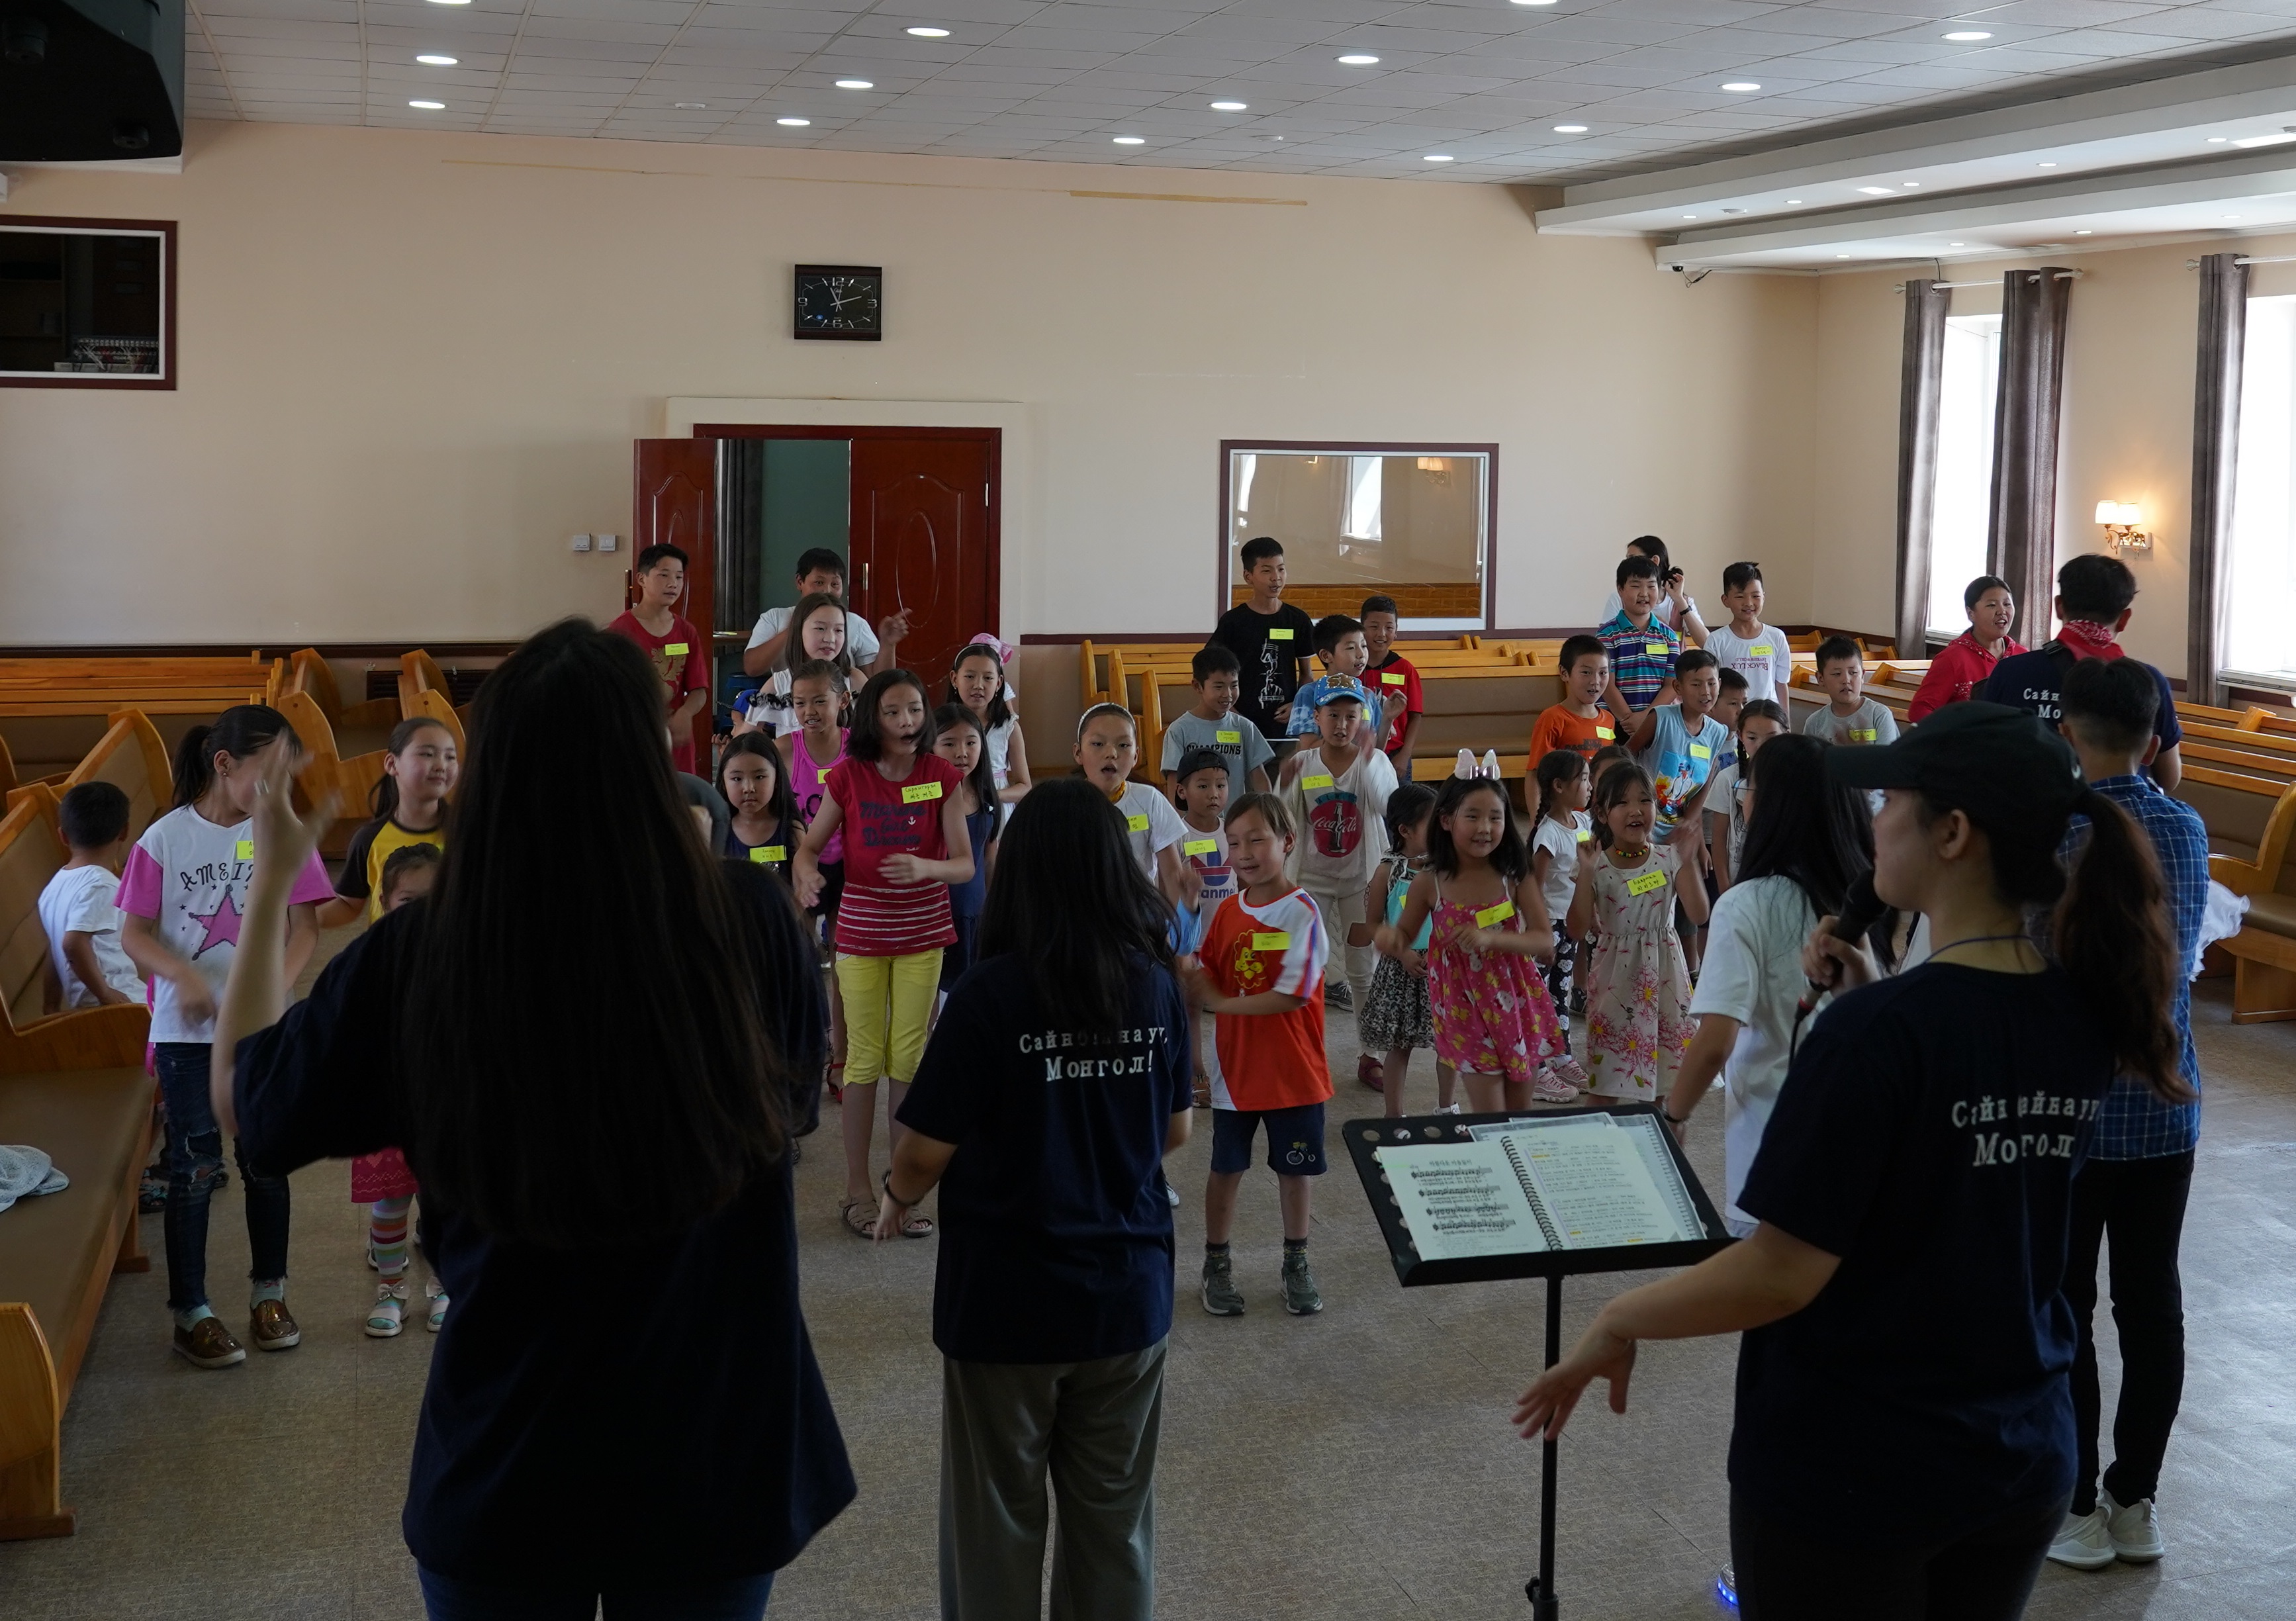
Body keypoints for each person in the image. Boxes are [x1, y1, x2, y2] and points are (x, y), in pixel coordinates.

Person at [214, 618, 854, 1617]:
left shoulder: (427, 950)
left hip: (511, 1449)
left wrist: (272, 887)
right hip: (713, 1443)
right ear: (650, 759)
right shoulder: (747, 919)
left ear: (493, 770)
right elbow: (792, 1107)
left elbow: (249, 1105)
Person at [1513, 700, 2186, 1621]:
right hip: (2020, 1446)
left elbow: (1781, 1272)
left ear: (1952, 833)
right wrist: (1872, 991)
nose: (1874, 823)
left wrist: (1620, 1316)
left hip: (1856, 1466)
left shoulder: (1876, 1034)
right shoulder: (2079, 1012)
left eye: (1891, 802)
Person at [874, 779, 1192, 1621]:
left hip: (1006, 1299)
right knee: (1114, 1523)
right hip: (1127, 1291)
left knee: (996, 1521)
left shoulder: (988, 994)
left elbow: (922, 1152)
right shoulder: (1153, 982)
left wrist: (895, 1196)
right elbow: (1176, 1131)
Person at [2044, 658, 2209, 1573]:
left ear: (2067, 734)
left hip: (2067, 1112)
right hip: (2164, 1107)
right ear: (2153, 743)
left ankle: (2074, 1508)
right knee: (2153, 1307)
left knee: (2062, 1303)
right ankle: (2135, 1501)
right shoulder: (2184, 827)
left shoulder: (2054, 832)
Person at [117, 706, 334, 1370]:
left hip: (263, 1032)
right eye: (269, 775)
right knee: (194, 1167)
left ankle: (270, 1295)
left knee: (265, 1159)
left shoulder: (281, 830)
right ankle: (192, 1312)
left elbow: (306, 928)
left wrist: (274, 991)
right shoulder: (163, 840)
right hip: (186, 1035)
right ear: (224, 763)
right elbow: (133, 935)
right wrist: (182, 975)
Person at [1665, 735, 1880, 1233]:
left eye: (1749, 787)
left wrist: (1674, 1117)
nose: (1743, 798)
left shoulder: (1745, 904)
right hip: (1855, 1142)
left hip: (1772, 1149)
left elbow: (1715, 1042)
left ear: (1770, 804)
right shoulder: (1855, 895)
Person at [792, 669, 974, 1240]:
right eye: (893, 711)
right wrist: (805, 873)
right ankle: (857, 1191)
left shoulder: (940, 775)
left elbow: (964, 864)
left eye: (915, 709)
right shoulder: (849, 774)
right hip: (861, 931)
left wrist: (925, 866)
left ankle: (903, 1191)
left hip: (924, 930)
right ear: (871, 716)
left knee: (909, 1059)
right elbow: (809, 848)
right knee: (863, 1059)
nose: (906, 721)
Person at [1181, 792, 1331, 1318]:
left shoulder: (1302, 912)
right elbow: (1203, 971)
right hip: (1235, 1075)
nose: (1243, 852)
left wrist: (1221, 1001)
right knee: (1225, 1168)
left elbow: (1292, 994)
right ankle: (1216, 1263)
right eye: (1234, 842)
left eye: (1257, 840)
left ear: (1287, 842)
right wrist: (1185, 915)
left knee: (1295, 1173)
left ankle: (1296, 1262)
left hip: (1295, 1073)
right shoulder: (1226, 911)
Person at [1379, 765, 1567, 1112]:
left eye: (1495, 817)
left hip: (1516, 1005)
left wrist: (1491, 940)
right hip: (1465, 1010)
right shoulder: (1429, 883)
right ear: (1446, 820)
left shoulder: (1515, 876)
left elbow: (1543, 941)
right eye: (1473, 816)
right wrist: (1391, 940)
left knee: (1519, 1115)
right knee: (1491, 1116)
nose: (1485, 828)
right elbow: (1403, 934)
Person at [1984, 553, 2182, 792]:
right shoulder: (2149, 682)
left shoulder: (2010, 671)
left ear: (2059, 607)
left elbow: (1987, 755)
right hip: (2115, 812)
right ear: (2124, 619)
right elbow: (2169, 778)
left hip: (2026, 810)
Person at [1570, 761, 1706, 1103]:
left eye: (1645, 800)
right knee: (1605, 1084)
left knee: (1665, 1087)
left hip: (1665, 981)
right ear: (1602, 814)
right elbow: (1576, 928)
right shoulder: (1596, 864)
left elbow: (1699, 914)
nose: (1636, 810)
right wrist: (1586, 873)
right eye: (1622, 802)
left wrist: (1689, 859)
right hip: (1614, 984)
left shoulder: (1670, 858)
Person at [354, 841, 447, 1338]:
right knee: (390, 1204)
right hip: (389, 1108)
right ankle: (390, 1288)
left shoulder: (462, 959)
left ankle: (444, 1285)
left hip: (448, 1110)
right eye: (408, 901)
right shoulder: (371, 963)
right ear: (386, 901)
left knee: (444, 1203)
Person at [1278, 676, 1397, 1016]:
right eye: (1333, 715)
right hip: (1311, 879)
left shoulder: (1374, 761)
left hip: (1360, 879)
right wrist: (1283, 784)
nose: (1341, 725)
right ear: (1316, 717)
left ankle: (1367, 1044)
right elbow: (1282, 818)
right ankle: (1309, 1044)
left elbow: (1388, 806)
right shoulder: (1304, 763)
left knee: (1363, 968)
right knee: (1306, 966)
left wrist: (1371, 760)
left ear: (1362, 720)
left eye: (1350, 716)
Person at [1355, 783, 1446, 1114]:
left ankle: (1447, 1108)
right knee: (1399, 1046)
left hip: (1441, 970)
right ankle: (1394, 1115)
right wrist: (1402, 952)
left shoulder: (1446, 869)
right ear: (1405, 831)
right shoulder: (1388, 871)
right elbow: (1372, 926)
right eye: (1432, 823)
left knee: (1448, 1044)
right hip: (1398, 972)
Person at [318, 714, 459, 927]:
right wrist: (297, 920)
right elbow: (348, 905)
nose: (441, 765)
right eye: (427, 754)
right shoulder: (369, 838)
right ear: (392, 764)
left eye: (450, 757)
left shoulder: (468, 832)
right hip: (390, 946)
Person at [38, 782, 146, 1012]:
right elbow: (72, 943)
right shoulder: (101, 886)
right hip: (116, 1005)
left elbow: (54, 950)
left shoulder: (54, 887)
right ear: (125, 832)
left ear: (63, 836)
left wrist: (50, 1005)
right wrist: (105, 994)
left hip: (99, 1004)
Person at [1076, 703, 1193, 909]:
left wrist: (1176, 921)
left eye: (1123, 745)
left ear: (1136, 756)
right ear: (1078, 753)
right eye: (1098, 744)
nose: (1111, 753)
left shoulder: (1149, 800)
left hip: (1139, 915)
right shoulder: (1066, 805)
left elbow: (1172, 874)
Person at [608, 542, 711, 776]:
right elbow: (610, 693)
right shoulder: (620, 632)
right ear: (642, 579)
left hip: (677, 741)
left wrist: (685, 713)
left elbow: (699, 690)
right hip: (636, 738)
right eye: (664, 575)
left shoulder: (686, 631)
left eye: (679, 577)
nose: (673, 583)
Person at [1209, 537, 1316, 751]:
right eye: (1267, 571)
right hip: (1241, 723)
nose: (1276, 578)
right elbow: (1212, 673)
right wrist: (1231, 712)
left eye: (1281, 569)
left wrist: (1298, 705)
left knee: (1283, 772)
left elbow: (1307, 675)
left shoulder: (1298, 620)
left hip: (1285, 728)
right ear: (1248, 576)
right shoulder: (1233, 622)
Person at [1528, 749, 1594, 1091]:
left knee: (1562, 992)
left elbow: (1587, 875)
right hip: (1549, 924)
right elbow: (1534, 889)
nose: (1589, 786)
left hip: (1571, 925)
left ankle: (1561, 1056)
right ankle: (1536, 1066)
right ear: (1558, 786)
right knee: (1538, 996)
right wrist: (1540, 935)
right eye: (1583, 779)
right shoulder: (1548, 834)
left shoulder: (1583, 824)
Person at [743, 546, 908, 678]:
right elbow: (752, 668)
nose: (827, 591)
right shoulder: (776, 618)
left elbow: (879, 682)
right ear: (800, 582)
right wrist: (794, 628)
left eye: (835, 584)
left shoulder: (855, 623)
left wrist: (888, 644)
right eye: (819, 583)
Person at [931, 703, 1001, 997]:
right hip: (938, 914)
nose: (962, 753)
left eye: (971, 743)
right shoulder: (926, 797)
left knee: (972, 992)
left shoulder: (986, 795)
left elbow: (989, 859)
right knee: (933, 995)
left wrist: (994, 910)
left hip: (976, 913)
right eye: (949, 744)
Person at [1160, 643, 1274, 804]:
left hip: (1236, 818)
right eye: (1219, 687)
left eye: (1234, 686)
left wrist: (1269, 812)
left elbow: (1259, 779)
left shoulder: (1245, 727)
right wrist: (1180, 819)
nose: (1228, 694)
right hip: (1195, 819)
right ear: (1198, 687)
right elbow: (1174, 784)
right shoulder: (1179, 730)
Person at [741, 591, 858, 739]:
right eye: (820, 628)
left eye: (838, 630)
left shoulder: (854, 679)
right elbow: (745, 738)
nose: (830, 639)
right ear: (799, 629)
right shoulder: (779, 683)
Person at [1909, 575, 2023, 722]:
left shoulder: (2022, 656)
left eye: (2007, 604)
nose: (2002, 611)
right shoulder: (1952, 659)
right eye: (1991, 605)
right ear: (1971, 614)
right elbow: (1920, 709)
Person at [1705, 698, 1787, 894]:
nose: (1761, 746)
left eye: (1771, 737)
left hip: (1783, 887)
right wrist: (1725, 888)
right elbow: (1719, 840)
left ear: (1786, 735)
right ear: (1740, 736)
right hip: (1739, 885)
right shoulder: (1728, 778)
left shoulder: (1793, 778)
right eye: (1752, 738)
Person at [1285, 616, 1402, 751]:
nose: (1361, 654)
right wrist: (1353, 737)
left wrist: (1388, 719)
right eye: (1351, 648)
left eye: (1364, 646)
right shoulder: (1309, 693)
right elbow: (1307, 749)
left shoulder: (1368, 695)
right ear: (1326, 656)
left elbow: (1376, 751)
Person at [1597, 555, 1684, 722]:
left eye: (1651, 586)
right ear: (1620, 589)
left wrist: (1646, 718)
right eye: (1636, 586)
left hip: (1657, 722)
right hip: (1615, 722)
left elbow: (1672, 685)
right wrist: (1628, 719)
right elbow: (1606, 683)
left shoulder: (1669, 636)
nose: (1644, 594)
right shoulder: (1607, 635)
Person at [948, 639, 1031, 811]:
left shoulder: (1009, 727)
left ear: (999, 683)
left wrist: (991, 796)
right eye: (969, 676)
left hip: (997, 812)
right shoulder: (940, 727)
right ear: (955, 679)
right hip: (954, 809)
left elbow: (1025, 786)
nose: (978, 685)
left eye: (988, 678)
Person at [1702, 562, 1792, 704]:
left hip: (1767, 713)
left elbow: (1781, 684)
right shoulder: (1716, 640)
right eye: (1740, 597)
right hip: (1731, 714)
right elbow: (1710, 684)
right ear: (1726, 600)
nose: (1749, 603)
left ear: (1763, 597)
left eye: (1755, 596)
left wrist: (1785, 717)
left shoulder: (1777, 637)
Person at [1596, 535, 1709, 645]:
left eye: (1632, 557)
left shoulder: (1682, 602)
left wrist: (1680, 601)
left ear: (1655, 561)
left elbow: (1707, 643)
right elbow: (1604, 642)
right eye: (1636, 586)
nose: (1644, 594)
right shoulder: (1619, 598)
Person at [718, 731, 800, 876]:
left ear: (777, 779)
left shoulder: (792, 830)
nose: (749, 788)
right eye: (737, 779)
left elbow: (802, 885)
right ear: (724, 783)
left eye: (759, 777)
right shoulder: (718, 831)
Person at [1360, 594, 1423, 780]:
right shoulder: (1352, 667)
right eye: (1374, 627)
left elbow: (1415, 716)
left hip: (1395, 753)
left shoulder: (1405, 669)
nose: (1381, 634)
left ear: (1396, 631)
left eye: (1389, 628)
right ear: (1361, 628)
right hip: (1357, 751)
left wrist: (1405, 755)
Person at [1529, 636, 1618, 764]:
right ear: (1564, 673)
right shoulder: (1552, 719)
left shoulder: (1608, 720)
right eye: (1586, 672)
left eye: (1603, 673)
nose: (1596, 681)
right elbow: (1537, 770)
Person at [1802, 637, 1900, 747]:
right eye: (1837, 674)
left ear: (1862, 676)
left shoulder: (1879, 715)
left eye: (1853, 673)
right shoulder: (1815, 723)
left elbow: (1887, 757)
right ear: (1820, 678)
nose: (1846, 680)